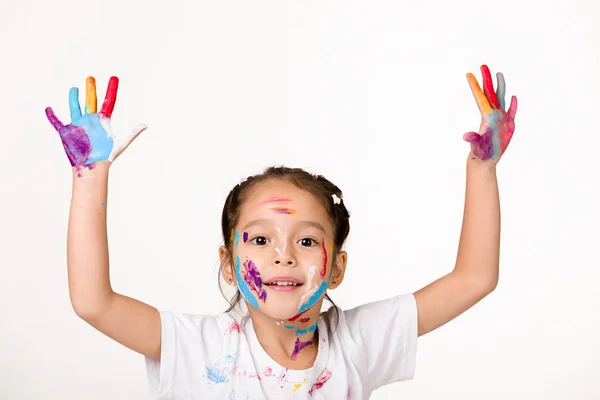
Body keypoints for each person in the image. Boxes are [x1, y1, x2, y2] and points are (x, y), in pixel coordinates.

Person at [45, 65, 518, 399]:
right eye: (260, 239)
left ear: (337, 268)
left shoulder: (358, 344)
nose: (283, 255)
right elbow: (94, 302)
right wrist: (90, 176)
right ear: (229, 264)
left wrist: (482, 168)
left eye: (307, 241)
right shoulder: (201, 349)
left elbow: (474, 278)